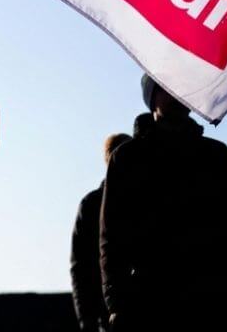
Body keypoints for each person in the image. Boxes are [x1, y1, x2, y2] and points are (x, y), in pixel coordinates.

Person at [99, 75, 227, 332]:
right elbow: (112, 237)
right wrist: (116, 303)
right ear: (152, 98)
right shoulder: (127, 159)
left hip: (218, 298)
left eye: (182, 85)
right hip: (154, 300)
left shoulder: (216, 155)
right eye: (165, 88)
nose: (176, 93)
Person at [70, 133, 131, 332]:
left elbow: (80, 267)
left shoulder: (91, 204)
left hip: (105, 310)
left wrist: (86, 318)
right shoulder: (92, 205)